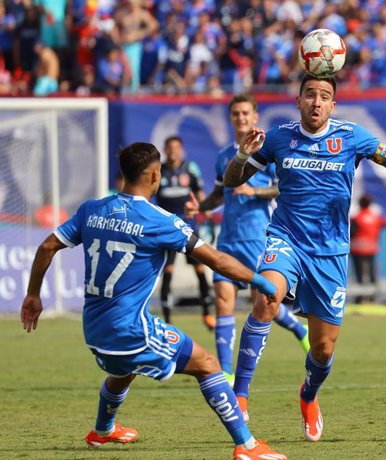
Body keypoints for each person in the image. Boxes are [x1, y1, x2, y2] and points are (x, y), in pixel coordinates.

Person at [19, 142, 286, 460]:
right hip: (130, 330)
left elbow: (48, 246)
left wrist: (33, 295)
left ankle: (103, 431)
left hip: (93, 330)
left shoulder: (92, 209)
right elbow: (216, 260)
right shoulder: (160, 221)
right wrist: (259, 280)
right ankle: (247, 446)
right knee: (208, 364)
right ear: (155, 175)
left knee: (124, 369)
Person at [224, 74, 386, 441]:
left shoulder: (353, 137)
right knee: (265, 297)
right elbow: (231, 180)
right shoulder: (278, 138)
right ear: (298, 101)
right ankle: (239, 396)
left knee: (322, 348)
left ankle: (308, 395)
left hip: (330, 252)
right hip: (285, 238)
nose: (316, 102)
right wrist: (242, 154)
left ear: (333, 105)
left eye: (324, 97)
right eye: (310, 95)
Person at [184, 93, 310, 390]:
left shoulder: (268, 151)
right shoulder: (223, 155)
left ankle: (298, 329)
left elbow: (285, 187)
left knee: (264, 302)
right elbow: (219, 194)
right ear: (231, 118)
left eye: (245, 113)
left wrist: (255, 193)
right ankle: (226, 373)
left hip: (259, 238)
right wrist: (199, 207)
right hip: (228, 240)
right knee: (223, 301)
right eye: (236, 114)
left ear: (255, 117)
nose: (241, 118)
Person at [156, 136, 213, 327]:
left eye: (176, 147)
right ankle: (167, 319)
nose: (173, 151)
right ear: (165, 149)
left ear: (181, 150)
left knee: (199, 267)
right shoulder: (159, 170)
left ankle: (207, 312)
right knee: (168, 270)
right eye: (169, 147)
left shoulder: (190, 168)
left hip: (189, 226)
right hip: (167, 227)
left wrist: (206, 215)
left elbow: (199, 194)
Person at [350, 194, 382, 304]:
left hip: (358, 248)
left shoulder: (357, 217)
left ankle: (360, 297)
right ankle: (372, 297)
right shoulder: (375, 217)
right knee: (371, 273)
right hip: (371, 247)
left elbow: (352, 232)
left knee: (360, 274)